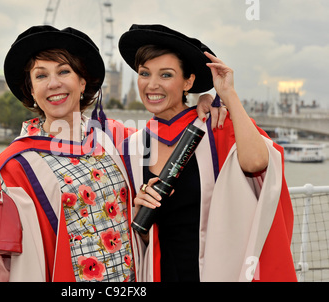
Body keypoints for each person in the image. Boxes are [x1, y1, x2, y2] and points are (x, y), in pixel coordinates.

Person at [0, 25, 220, 282]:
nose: (53, 84)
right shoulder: (16, 162)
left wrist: (203, 106)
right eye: (41, 76)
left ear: (82, 83)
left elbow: (170, 133)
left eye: (64, 71)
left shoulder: (116, 138)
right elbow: (0, 249)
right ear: (31, 90)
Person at [118, 24, 297, 282]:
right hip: (160, 272)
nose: (152, 84)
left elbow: (258, 162)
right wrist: (141, 220)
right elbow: (142, 233)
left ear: (188, 81)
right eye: (144, 73)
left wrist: (227, 95)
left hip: (215, 271)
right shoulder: (133, 145)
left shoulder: (214, 128)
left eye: (166, 75)